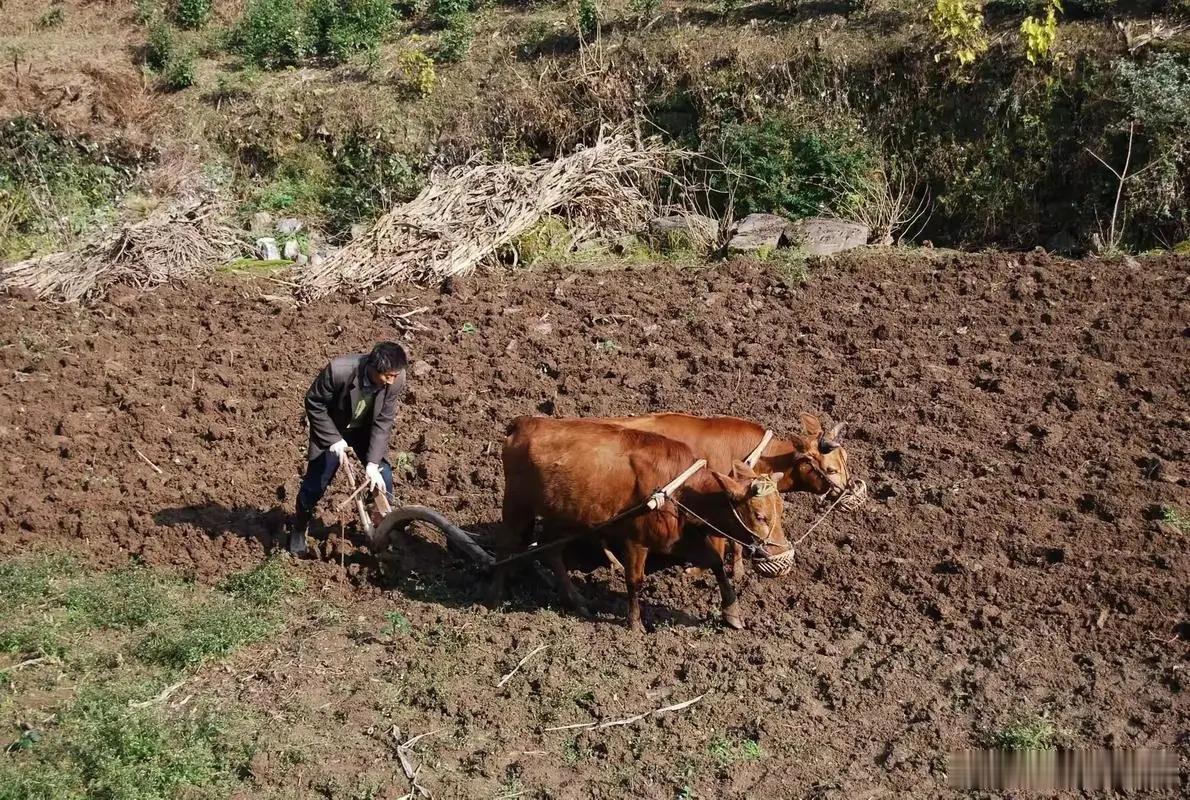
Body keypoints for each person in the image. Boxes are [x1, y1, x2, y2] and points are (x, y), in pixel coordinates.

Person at [288, 342, 408, 555]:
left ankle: (382, 528)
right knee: (316, 484)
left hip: (364, 431)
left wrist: (372, 464)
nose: (391, 381)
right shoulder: (339, 371)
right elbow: (314, 402)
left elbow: (384, 420)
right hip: (332, 428)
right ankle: (299, 526)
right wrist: (334, 439)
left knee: (384, 476)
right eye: (387, 376)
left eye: (395, 375)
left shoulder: (396, 379)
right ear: (373, 367)